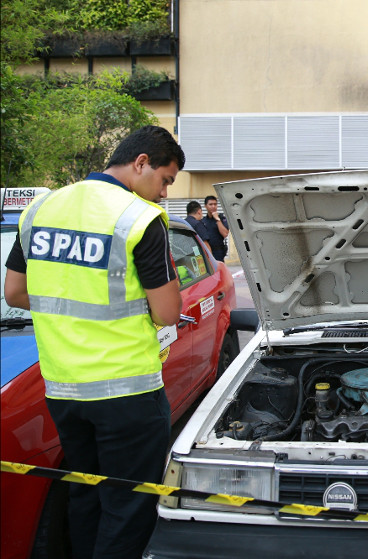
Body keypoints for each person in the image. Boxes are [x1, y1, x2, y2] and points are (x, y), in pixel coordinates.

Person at [4, 125, 185, 559]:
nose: (163, 193)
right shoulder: (138, 218)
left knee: (86, 493)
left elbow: (14, 293)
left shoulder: (41, 207)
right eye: (165, 180)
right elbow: (167, 312)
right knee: (128, 503)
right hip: (127, 391)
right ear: (141, 163)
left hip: (63, 388)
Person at [201, 194, 229, 261]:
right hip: (207, 251)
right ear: (205, 206)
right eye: (210, 204)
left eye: (215, 204)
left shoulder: (222, 219)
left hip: (219, 252)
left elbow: (225, 234)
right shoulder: (203, 221)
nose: (213, 206)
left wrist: (217, 219)